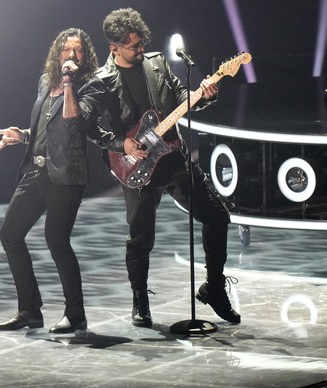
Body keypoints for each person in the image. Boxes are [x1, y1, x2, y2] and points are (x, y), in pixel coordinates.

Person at [96, 8, 240, 327]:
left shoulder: (157, 63)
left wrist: (204, 93)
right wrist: (123, 145)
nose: (140, 49)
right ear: (114, 47)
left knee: (217, 216)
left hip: (173, 158)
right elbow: (93, 127)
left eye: (142, 42)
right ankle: (140, 301)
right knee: (141, 239)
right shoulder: (102, 81)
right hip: (136, 167)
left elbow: (180, 98)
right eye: (133, 46)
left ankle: (214, 288)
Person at [0, 28, 113, 334]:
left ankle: (76, 314)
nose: (71, 55)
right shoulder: (45, 81)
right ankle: (30, 310)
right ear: (57, 54)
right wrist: (23, 136)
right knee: (10, 234)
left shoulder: (92, 85)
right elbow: (47, 129)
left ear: (86, 57)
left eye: (78, 51)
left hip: (67, 176)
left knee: (57, 240)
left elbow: (73, 122)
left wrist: (70, 83)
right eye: (65, 50)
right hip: (37, 170)